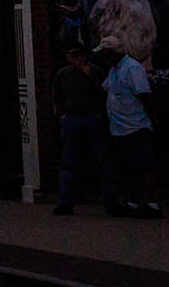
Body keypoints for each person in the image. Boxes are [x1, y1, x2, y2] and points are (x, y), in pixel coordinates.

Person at [101, 35, 162, 219]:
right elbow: (105, 89)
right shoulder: (114, 70)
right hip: (119, 128)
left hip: (135, 127)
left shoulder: (132, 68)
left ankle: (152, 204)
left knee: (144, 166)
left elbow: (145, 96)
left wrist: (153, 121)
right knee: (128, 168)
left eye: (105, 52)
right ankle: (132, 202)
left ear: (112, 52)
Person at [51, 43, 108, 215]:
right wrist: (61, 115)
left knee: (102, 158)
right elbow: (57, 97)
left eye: (80, 55)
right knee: (68, 161)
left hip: (91, 116)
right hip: (71, 117)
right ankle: (66, 201)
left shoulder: (95, 71)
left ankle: (110, 199)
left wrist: (91, 77)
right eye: (73, 55)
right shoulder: (63, 74)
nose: (77, 59)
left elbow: (104, 92)